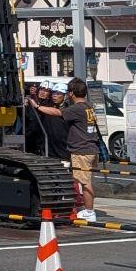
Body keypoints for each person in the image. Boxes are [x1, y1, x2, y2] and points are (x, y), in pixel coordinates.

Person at [34, 78, 101, 221]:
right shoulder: (89, 106)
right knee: (82, 180)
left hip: (82, 149)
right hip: (91, 148)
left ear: (70, 93)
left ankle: (89, 212)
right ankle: (84, 209)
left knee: (85, 181)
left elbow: (58, 113)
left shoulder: (77, 108)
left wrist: (37, 106)